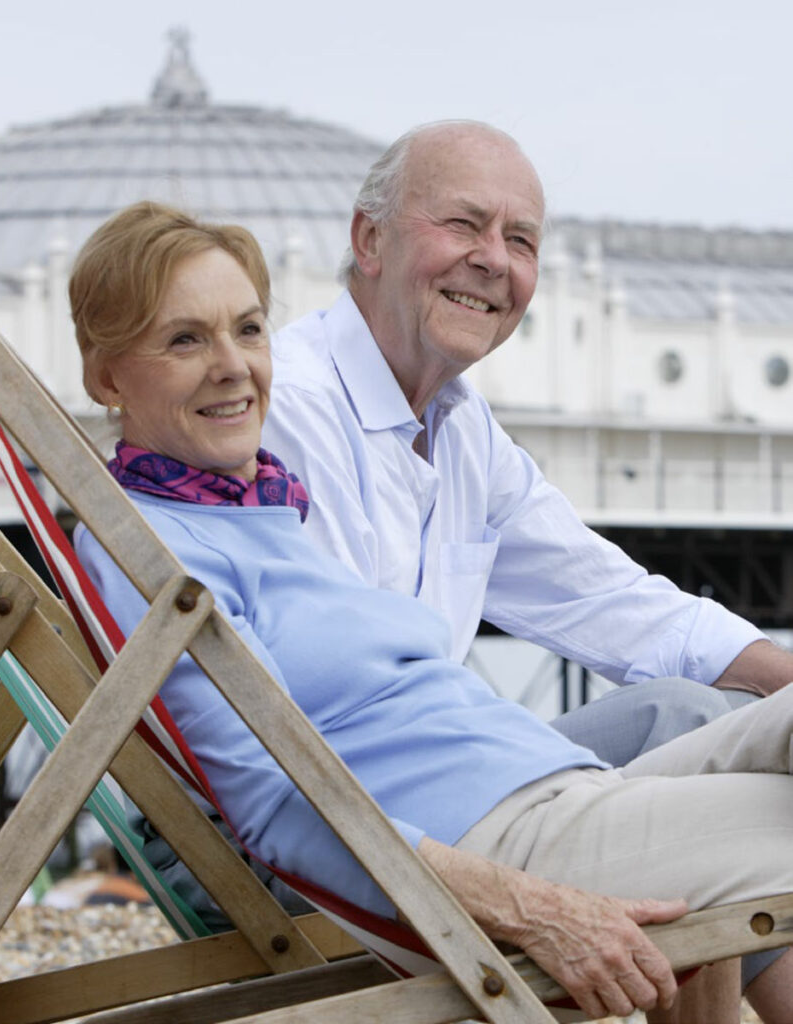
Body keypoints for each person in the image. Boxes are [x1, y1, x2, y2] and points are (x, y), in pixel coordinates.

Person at [70, 201, 793, 1022]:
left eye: (248, 329)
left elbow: (601, 593)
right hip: (494, 840)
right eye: (184, 339)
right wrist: (527, 908)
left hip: (552, 790)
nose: (233, 365)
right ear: (105, 375)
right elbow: (276, 807)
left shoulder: (257, 512)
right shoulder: (157, 554)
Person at [261, 121, 793, 1007]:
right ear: (368, 239)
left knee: (703, 705)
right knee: (742, 790)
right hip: (345, 828)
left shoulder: (461, 430)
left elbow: (620, 604)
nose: (492, 261)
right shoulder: (289, 408)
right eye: (463, 225)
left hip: (437, 784)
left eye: (520, 241)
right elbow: (327, 723)